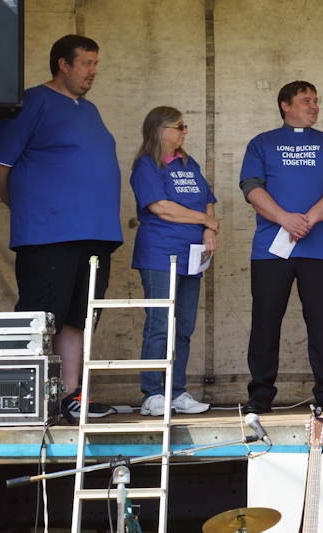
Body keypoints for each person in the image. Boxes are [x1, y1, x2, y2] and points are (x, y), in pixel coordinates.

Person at [0, 35, 122, 418]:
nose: (94, 71)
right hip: (49, 233)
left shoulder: (89, 109)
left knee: (78, 316)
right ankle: (22, 397)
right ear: (63, 63)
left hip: (94, 232)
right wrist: (28, 208)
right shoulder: (31, 102)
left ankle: (70, 397)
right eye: (87, 63)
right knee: (42, 315)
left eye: (96, 63)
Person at [239, 80, 323, 414]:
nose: (314, 106)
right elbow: (251, 187)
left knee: (321, 322)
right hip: (271, 249)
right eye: (306, 100)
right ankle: (261, 393)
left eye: (316, 101)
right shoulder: (261, 143)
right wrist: (284, 219)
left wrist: (307, 219)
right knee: (266, 320)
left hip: (320, 250)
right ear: (285, 105)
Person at [130, 106, 218, 416]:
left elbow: (208, 196)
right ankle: (152, 393)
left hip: (192, 255)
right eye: (178, 127)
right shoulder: (146, 165)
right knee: (160, 324)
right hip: (160, 253)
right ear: (159, 130)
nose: (184, 132)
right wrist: (207, 220)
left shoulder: (187, 162)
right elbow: (161, 207)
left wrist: (209, 228)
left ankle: (176, 390)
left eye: (184, 126)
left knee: (184, 326)